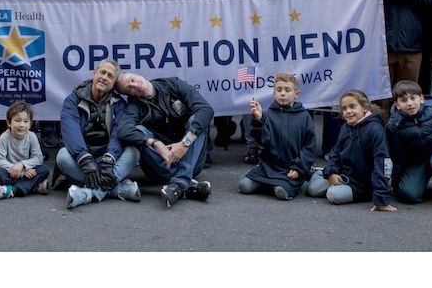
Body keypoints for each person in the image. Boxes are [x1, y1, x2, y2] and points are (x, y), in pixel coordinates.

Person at [115, 72, 214, 207]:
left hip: (192, 159)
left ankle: (179, 184)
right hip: (163, 166)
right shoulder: (134, 106)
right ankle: (185, 183)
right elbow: (123, 130)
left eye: (132, 80)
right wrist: (155, 143)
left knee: (196, 121)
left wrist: (185, 143)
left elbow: (206, 109)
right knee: (139, 131)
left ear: (140, 75)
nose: (134, 85)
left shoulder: (173, 84)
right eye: (128, 88)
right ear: (131, 95)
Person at [57, 59, 142, 208]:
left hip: (109, 161)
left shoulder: (120, 104)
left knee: (134, 151)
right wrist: (85, 161)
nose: (104, 77)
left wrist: (109, 160)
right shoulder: (72, 100)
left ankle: (88, 193)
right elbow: (71, 132)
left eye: (110, 76)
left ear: (114, 83)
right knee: (62, 156)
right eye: (102, 72)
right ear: (94, 73)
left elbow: (119, 133)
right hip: (83, 161)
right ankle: (116, 188)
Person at [306, 90, 395, 211]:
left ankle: (319, 175)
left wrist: (381, 198)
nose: (348, 111)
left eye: (352, 107)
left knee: (333, 195)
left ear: (364, 107)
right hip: (344, 174)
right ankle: (321, 174)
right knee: (313, 189)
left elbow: (382, 163)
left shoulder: (375, 129)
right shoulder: (346, 126)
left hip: (362, 184)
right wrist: (332, 172)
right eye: (344, 108)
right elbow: (335, 153)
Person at [238, 73, 317, 200]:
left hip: (291, 169)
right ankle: (268, 183)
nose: (282, 93)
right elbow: (262, 140)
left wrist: (299, 168)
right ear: (274, 93)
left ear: (296, 94)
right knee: (244, 186)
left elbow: (309, 147)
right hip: (269, 167)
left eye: (287, 90)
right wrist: (259, 120)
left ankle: (285, 182)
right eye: (278, 90)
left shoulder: (304, 116)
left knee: (282, 192)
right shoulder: (269, 114)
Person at [386, 80, 432, 204]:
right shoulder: (394, 124)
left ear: (421, 98)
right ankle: (418, 180)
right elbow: (399, 156)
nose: (410, 104)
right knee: (408, 195)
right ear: (397, 105)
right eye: (404, 100)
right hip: (420, 159)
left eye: (413, 98)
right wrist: (396, 182)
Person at [0, 102, 49, 199]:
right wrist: (18, 171)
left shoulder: (32, 136)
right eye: (17, 121)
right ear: (9, 122)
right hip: (11, 172)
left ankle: (12, 190)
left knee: (44, 170)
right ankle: (34, 186)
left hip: (28, 170)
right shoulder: (4, 138)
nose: (22, 125)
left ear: (30, 124)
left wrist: (22, 165)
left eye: (26, 121)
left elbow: (38, 158)